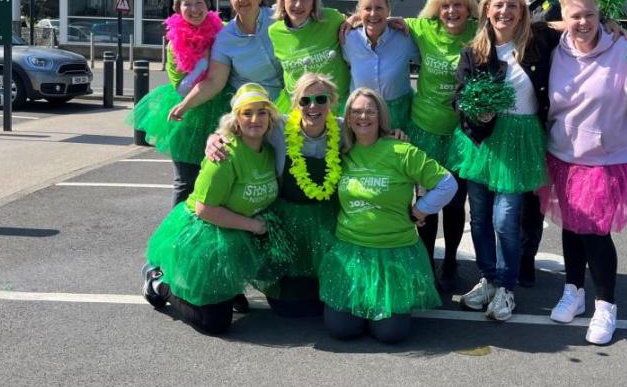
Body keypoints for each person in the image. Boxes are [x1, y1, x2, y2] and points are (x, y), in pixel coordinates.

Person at [538, 0, 627, 345]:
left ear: (602, 17)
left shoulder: (624, 48)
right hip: (563, 155)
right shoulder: (556, 50)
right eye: (575, 16)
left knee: (594, 234)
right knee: (569, 227)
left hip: (604, 160)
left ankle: (606, 305)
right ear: (563, 20)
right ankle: (573, 291)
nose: (583, 22)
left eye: (589, 15)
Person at [141, 84, 289, 335]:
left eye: (262, 113)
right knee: (214, 324)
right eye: (247, 113)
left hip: (238, 234)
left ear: (270, 118)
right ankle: (159, 284)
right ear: (236, 119)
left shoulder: (269, 152)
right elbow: (204, 209)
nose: (255, 119)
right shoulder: (224, 154)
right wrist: (254, 226)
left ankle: (228, 291)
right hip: (207, 236)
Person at [507, 0, 604, 287]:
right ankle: (509, 256)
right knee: (511, 189)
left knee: (533, 193)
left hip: (549, 107)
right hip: (512, 109)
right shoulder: (505, 2)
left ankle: (526, 258)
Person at [450, 0, 555, 321]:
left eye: (511, 5)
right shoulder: (474, 51)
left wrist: (611, 25)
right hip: (482, 141)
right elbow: (459, 96)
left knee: (506, 218)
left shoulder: (537, 43)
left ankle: (507, 286)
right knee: (479, 216)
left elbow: (579, 22)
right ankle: (489, 280)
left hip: (522, 139)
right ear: (486, 11)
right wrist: (476, 112)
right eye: (497, 6)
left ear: (522, 11)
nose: (504, 12)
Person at [319, 88, 457, 344]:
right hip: (351, 252)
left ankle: (385, 313)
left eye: (370, 111)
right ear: (347, 118)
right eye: (356, 112)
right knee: (342, 330)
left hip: (394, 252)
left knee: (390, 334)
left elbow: (447, 184)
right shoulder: (340, 152)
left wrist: (420, 209)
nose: (363, 117)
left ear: (381, 116)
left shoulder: (402, 151)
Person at [405, 0, 479, 290]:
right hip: (425, 128)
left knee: (455, 201)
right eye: (445, 6)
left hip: (460, 133)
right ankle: (425, 259)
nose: (451, 12)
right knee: (427, 200)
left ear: (468, 8)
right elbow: (387, 21)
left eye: (458, 6)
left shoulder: (480, 32)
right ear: (437, 8)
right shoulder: (423, 29)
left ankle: (450, 260)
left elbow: (522, 27)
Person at [128, 0, 230, 207]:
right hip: (188, 116)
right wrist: (203, 62)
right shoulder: (174, 43)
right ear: (177, 9)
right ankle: (177, 234)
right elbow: (182, 88)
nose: (194, 9)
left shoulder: (223, 31)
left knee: (221, 179)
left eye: (199, 3)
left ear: (208, 4)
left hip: (223, 111)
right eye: (187, 4)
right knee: (186, 181)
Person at [262, 73, 343, 316]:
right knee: (287, 308)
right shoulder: (279, 128)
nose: (313, 107)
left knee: (324, 301)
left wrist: (394, 134)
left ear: (331, 102)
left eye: (321, 99)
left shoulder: (343, 127)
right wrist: (216, 138)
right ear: (296, 103)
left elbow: (373, 130)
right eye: (305, 101)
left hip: (326, 221)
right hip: (289, 220)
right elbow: (241, 126)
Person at [169, 0, 282, 122]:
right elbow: (214, 81)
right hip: (251, 106)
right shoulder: (224, 37)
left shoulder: (279, 19)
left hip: (290, 99)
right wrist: (184, 105)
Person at [268, 0, 352, 113]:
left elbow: (368, 22)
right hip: (298, 107)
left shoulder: (331, 18)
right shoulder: (274, 31)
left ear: (313, 2)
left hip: (337, 106)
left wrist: (355, 18)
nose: (298, 5)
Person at [341, 0, 419, 130]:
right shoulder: (347, 39)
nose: (373, 13)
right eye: (367, 9)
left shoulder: (405, 37)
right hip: (361, 118)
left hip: (399, 118)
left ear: (388, 10)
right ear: (359, 12)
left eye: (379, 8)